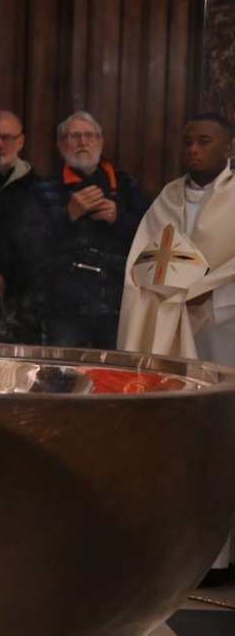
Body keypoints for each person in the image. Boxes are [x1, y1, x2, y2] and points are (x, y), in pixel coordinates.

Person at [117, 112, 235, 588]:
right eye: (187, 140)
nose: (192, 149)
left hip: (224, 336)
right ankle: (189, 557)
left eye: (204, 141)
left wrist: (215, 293)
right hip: (171, 333)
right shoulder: (166, 198)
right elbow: (141, 263)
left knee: (224, 444)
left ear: (228, 146)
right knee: (181, 446)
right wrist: (171, 293)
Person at [20, 111, 149, 348]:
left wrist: (117, 219)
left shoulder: (125, 186)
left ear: (100, 142)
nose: (83, 142)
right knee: (65, 376)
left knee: (113, 376)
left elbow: (151, 240)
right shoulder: (44, 188)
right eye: (74, 136)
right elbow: (30, 247)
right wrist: (69, 215)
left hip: (116, 300)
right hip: (63, 304)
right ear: (61, 145)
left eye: (90, 136)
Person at [0, 110, 41, 343]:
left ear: (20, 142)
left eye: (7, 138)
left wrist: (5, 275)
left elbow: (35, 241)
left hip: (21, 299)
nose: (0, 145)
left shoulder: (36, 188)